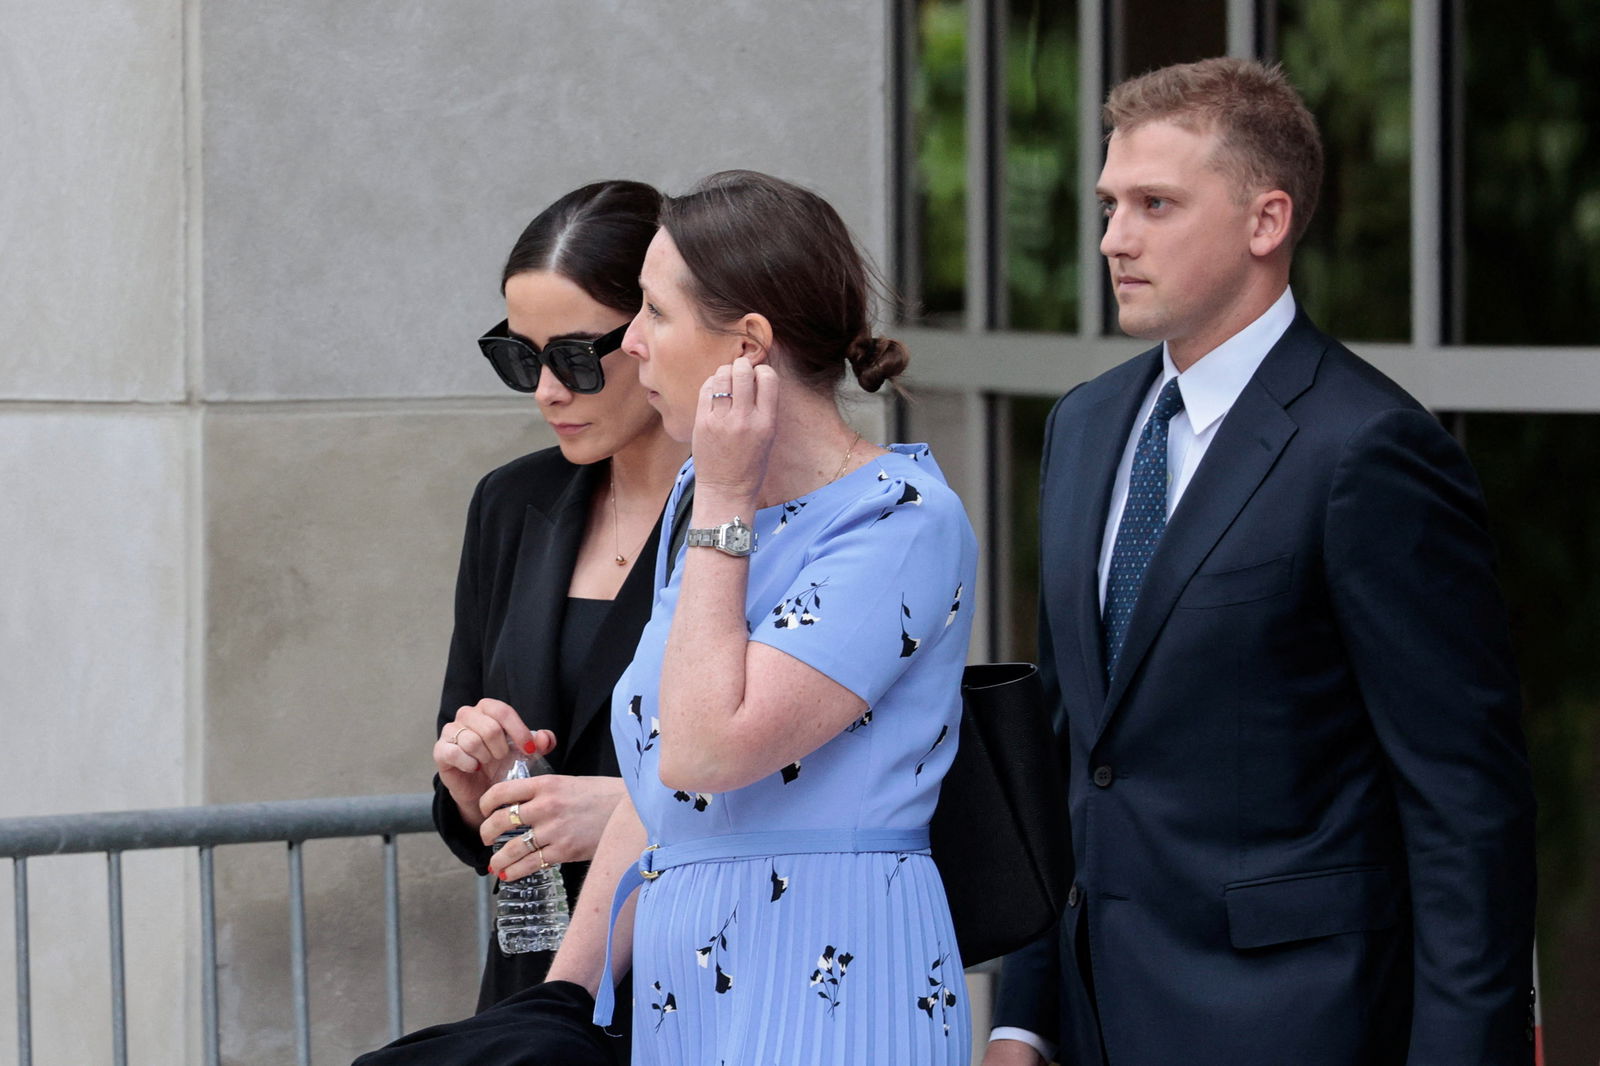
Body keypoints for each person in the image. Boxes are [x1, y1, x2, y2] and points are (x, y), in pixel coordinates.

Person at [356, 170, 980, 1066]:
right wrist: (560, 1001)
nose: (636, 345)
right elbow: (660, 796)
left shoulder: (899, 517)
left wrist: (726, 493)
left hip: (825, 976)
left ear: (748, 347)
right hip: (677, 990)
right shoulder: (704, 499)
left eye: (652, 313)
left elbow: (707, 752)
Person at [985, 58, 1538, 1066]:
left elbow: (1465, 810)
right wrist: (1024, 1015)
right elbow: (1071, 749)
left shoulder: (1369, 450)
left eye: (1155, 204)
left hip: (1297, 1025)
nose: (1113, 238)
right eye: (1110, 204)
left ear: (1265, 221)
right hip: (1094, 1019)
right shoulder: (1083, 424)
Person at [430, 180, 687, 1022]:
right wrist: (476, 791)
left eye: (576, 357)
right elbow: (471, 805)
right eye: (520, 356)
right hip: (535, 987)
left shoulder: (748, 517)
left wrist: (625, 813)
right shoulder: (513, 505)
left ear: (651, 332)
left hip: (701, 977)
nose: (546, 391)